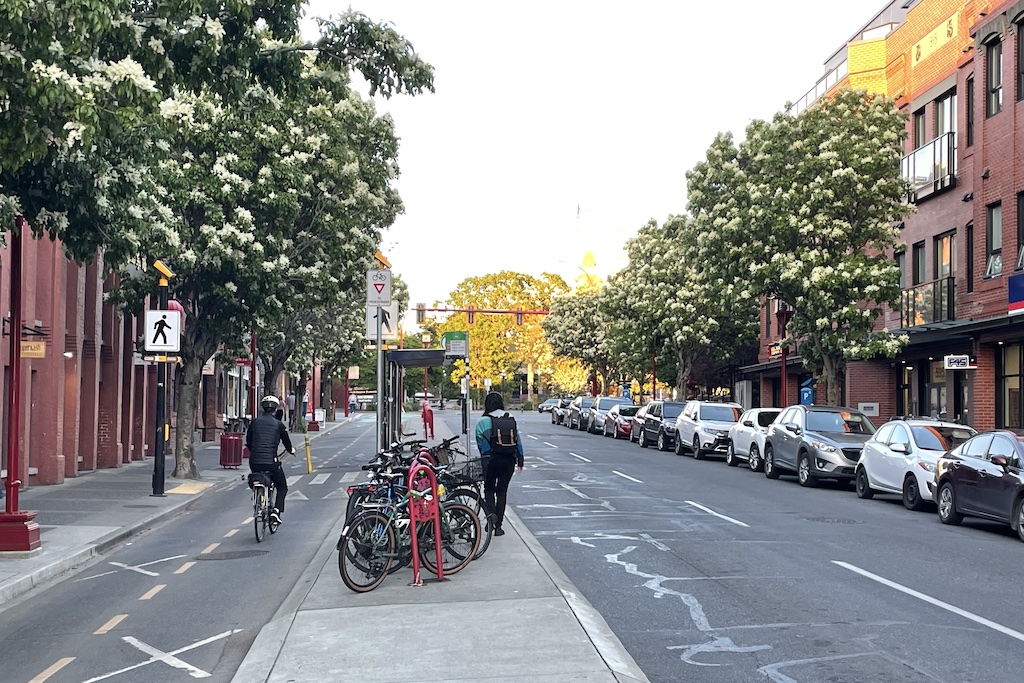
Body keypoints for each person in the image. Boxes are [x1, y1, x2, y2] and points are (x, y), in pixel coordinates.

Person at [475, 392, 524, 537]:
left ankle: (490, 521)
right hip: (509, 459)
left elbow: (479, 442)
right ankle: (499, 527)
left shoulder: (482, 421)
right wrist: (520, 460)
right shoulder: (511, 419)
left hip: (490, 460)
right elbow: (518, 441)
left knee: (489, 490)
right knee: (502, 492)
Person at [246, 395, 295, 525]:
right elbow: (286, 442)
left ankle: (258, 499)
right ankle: (276, 511)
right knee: (282, 486)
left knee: (258, 476)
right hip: (271, 462)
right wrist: (291, 450)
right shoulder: (278, 424)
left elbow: (249, 441)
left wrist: (254, 452)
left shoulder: (254, 423)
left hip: (254, 462)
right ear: (275, 409)